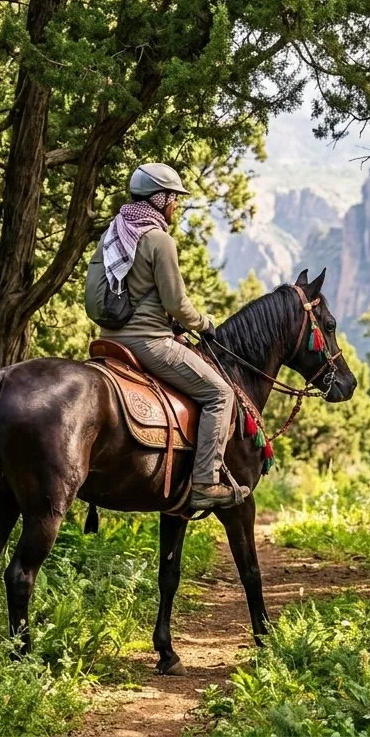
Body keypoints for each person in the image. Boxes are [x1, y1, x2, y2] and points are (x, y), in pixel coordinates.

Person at [86, 162, 247, 510]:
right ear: (159, 199)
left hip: (108, 342)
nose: (176, 205)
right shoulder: (159, 240)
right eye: (173, 198)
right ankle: (206, 482)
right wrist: (204, 323)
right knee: (220, 393)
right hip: (149, 343)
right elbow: (176, 303)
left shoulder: (113, 235)